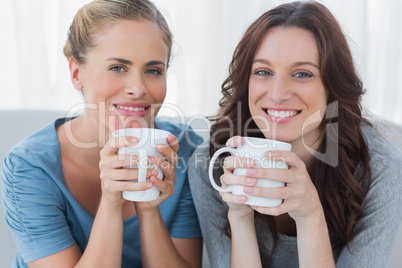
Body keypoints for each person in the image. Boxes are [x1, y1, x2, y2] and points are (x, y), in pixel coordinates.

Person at [188, 1, 402, 267]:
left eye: (302, 73)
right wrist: (240, 217)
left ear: (333, 86)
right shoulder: (213, 165)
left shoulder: (381, 170)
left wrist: (310, 216)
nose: (278, 94)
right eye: (263, 72)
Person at [1, 0, 203, 267]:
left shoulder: (185, 150)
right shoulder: (29, 167)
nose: (138, 88)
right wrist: (111, 202)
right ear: (76, 73)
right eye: (117, 67)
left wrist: (148, 208)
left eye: (153, 70)